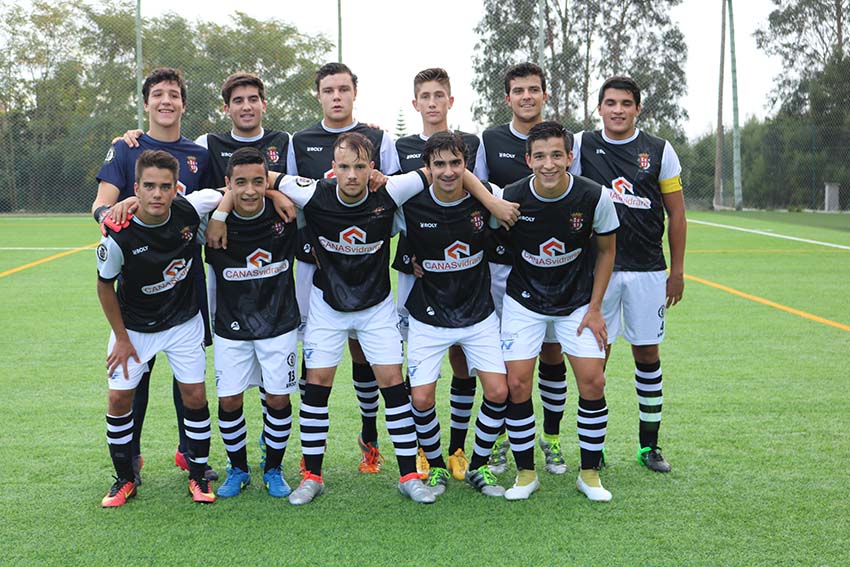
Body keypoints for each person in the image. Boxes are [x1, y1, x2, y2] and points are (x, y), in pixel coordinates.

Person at [208, 132, 516, 505]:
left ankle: (407, 475)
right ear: (332, 169)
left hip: (376, 307)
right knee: (317, 385)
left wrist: (490, 202)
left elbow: (445, 169)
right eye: (343, 167)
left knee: (392, 385)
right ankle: (312, 475)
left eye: (359, 166)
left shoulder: (390, 191)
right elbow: (261, 178)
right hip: (328, 305)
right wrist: (227, 211)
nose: (352, 175)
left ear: (373, 168)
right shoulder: (313, 193)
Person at [91, 67, 217, 484]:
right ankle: (132, 459)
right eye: (157, 94)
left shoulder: (198, 152)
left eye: (174, 95)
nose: (166, 101)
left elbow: (221, 196)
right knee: (133, 378)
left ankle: (189, 453)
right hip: (138, 280)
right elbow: (100, 207)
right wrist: (117, 210)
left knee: (190, 380)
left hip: (185, 280)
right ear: (146, 103)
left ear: (183, 103)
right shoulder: (125, 148)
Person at [286, 62, 401, 475]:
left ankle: (369, 439)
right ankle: (308, 454)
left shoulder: (378, 136)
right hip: (314, 264)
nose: (336, 96)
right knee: (312, 352)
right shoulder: (300, 140)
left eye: (343, 89)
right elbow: (291, 198)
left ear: (355, 93)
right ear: (318, 94)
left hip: (364, 262)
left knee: (364, 350)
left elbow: (395, 189)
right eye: (328, 90)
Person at [569, 75, 686, 473]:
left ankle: (648, 446)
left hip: (648, 271)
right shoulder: (582, 144)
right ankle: (594, 446)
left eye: (625, 103)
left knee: (648, 354)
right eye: (610, 103)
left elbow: (677, 213)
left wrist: (678, 270)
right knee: (595, 359)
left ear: (638, 108)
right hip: (597, 271)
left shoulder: (658, 150)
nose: (617, 110)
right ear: (599, 108)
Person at [496, 121, 618, 501]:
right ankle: (526, 474)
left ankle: (589, 474)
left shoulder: (594, 196)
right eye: (540, 156)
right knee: (516, 384)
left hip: (576, 302)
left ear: (569, 157)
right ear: (528, 159)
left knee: (593, 381)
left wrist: (595, 308)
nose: (548, 164)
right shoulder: (510, 198)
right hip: (525, 301)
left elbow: (607, 250)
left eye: (556, 155)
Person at [399, 131, 508, 498]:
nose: (448, 171)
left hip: (477, 313)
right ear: (427, 168)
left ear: (467, 166)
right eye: (440, 164)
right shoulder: (411, 205)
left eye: (455, 163)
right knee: (421, 399)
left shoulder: (486, 201)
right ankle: (436, 465)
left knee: (498, 390)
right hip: (428, 315)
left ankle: (477, 466)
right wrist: (407, 260)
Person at [476, 62, 570, 476]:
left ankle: (551, 438)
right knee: (502, 359)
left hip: (550, 269)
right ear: (507, 97)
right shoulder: (490, 140)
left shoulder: (563, 139)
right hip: (500, 265)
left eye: (534, 89)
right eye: (519, 90)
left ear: (545, 94)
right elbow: (474, 192)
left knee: (552, 353)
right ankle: (498, 441)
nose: (526, 96)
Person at [392, 67, 482, 481]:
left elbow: (475, 194)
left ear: (450, 100)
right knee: (420, 365)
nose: (432, 102)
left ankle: (459, 447)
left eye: (439, 95)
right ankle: (424, 452)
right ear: (416, 103)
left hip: (461, 268)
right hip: (418, 269)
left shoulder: (470, 144)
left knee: (463, 358)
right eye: (424, 95)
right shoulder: (401, 146)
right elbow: (395, 201)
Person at [204, 148, 299, 499]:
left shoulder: (285, 214)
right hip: (232, 326)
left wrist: (275, 193)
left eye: (258, 182)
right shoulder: (212, 222)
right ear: (227, 184)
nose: (249, 190)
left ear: (267, 180)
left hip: (279, 324)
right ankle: (238, 469)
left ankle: (273, 468)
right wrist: (220, 212)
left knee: (277, 399)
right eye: (240, 182)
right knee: (229, 400)